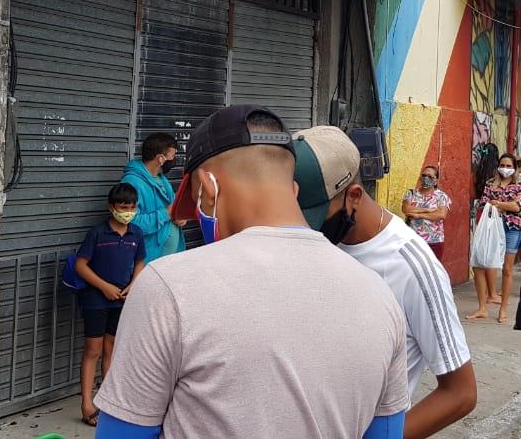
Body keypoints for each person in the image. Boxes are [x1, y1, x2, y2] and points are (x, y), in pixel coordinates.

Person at [92, 106, 409, 438]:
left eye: (197, 204)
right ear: (293, 191)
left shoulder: (167, 289)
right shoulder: (379, 295)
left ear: (209, 187)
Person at [294, 126, 477, 439]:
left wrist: (386, 435)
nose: (302, 228)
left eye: (314, 217)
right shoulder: (311, 243)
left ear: (353, 196)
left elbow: (460, 393)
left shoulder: (411, 265)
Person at [74, 183, 146, 427]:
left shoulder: (136, 234)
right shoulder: (97, 233)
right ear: (111, 207)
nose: (128, 211)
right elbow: (80, 265)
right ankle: (86, 403)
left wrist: (134, 284)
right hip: (96, 300)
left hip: (121, 301)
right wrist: (104, 286)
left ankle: (108, 403)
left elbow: (140, 262)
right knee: (92, 350)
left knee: (111, 350)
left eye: (132, 207)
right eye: (123, 207)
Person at [473, 153, 521, 324]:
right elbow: (483, 204)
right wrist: (506, 205)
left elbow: (518, 206)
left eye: (508, 165)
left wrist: (498, 204)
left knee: (507, 269)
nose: (505, 168)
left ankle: (503, 309)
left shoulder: (520, 185)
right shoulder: (490, 184)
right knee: (481, 265)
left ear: (514, 168)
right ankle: (482, 308)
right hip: (490, 227)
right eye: (502, 165)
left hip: (511, 228)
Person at [121, 133, 184, 263]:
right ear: (160, 159)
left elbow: (172, 208)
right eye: (172, 156)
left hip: (167, 260)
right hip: (148, 260)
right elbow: (130, 223)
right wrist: (167, 213)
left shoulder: (161, 178)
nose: (174, 160)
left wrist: (179, 217)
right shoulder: (132, 182)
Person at [402, 165, 452, 261]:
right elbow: (406, 209)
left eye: (430, 176)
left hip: (434, 241)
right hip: (413, 240)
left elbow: (441, 214)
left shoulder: (441, 196)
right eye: (424, 175)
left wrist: (418, 215)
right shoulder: (411, 193)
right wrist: (428, 210)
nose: (425, 178)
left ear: (436, 181)